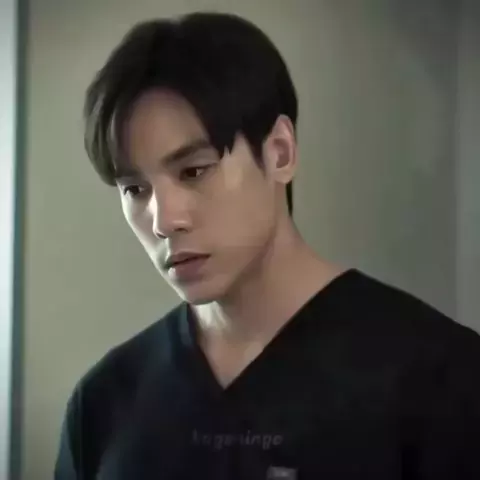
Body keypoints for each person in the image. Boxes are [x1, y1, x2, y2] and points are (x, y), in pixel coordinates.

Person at [54, 11, 480, 480]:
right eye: (135, 189)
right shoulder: (103, 403)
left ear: (279, 152)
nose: (164, 220)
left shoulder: (442, 378)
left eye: (194, 171)